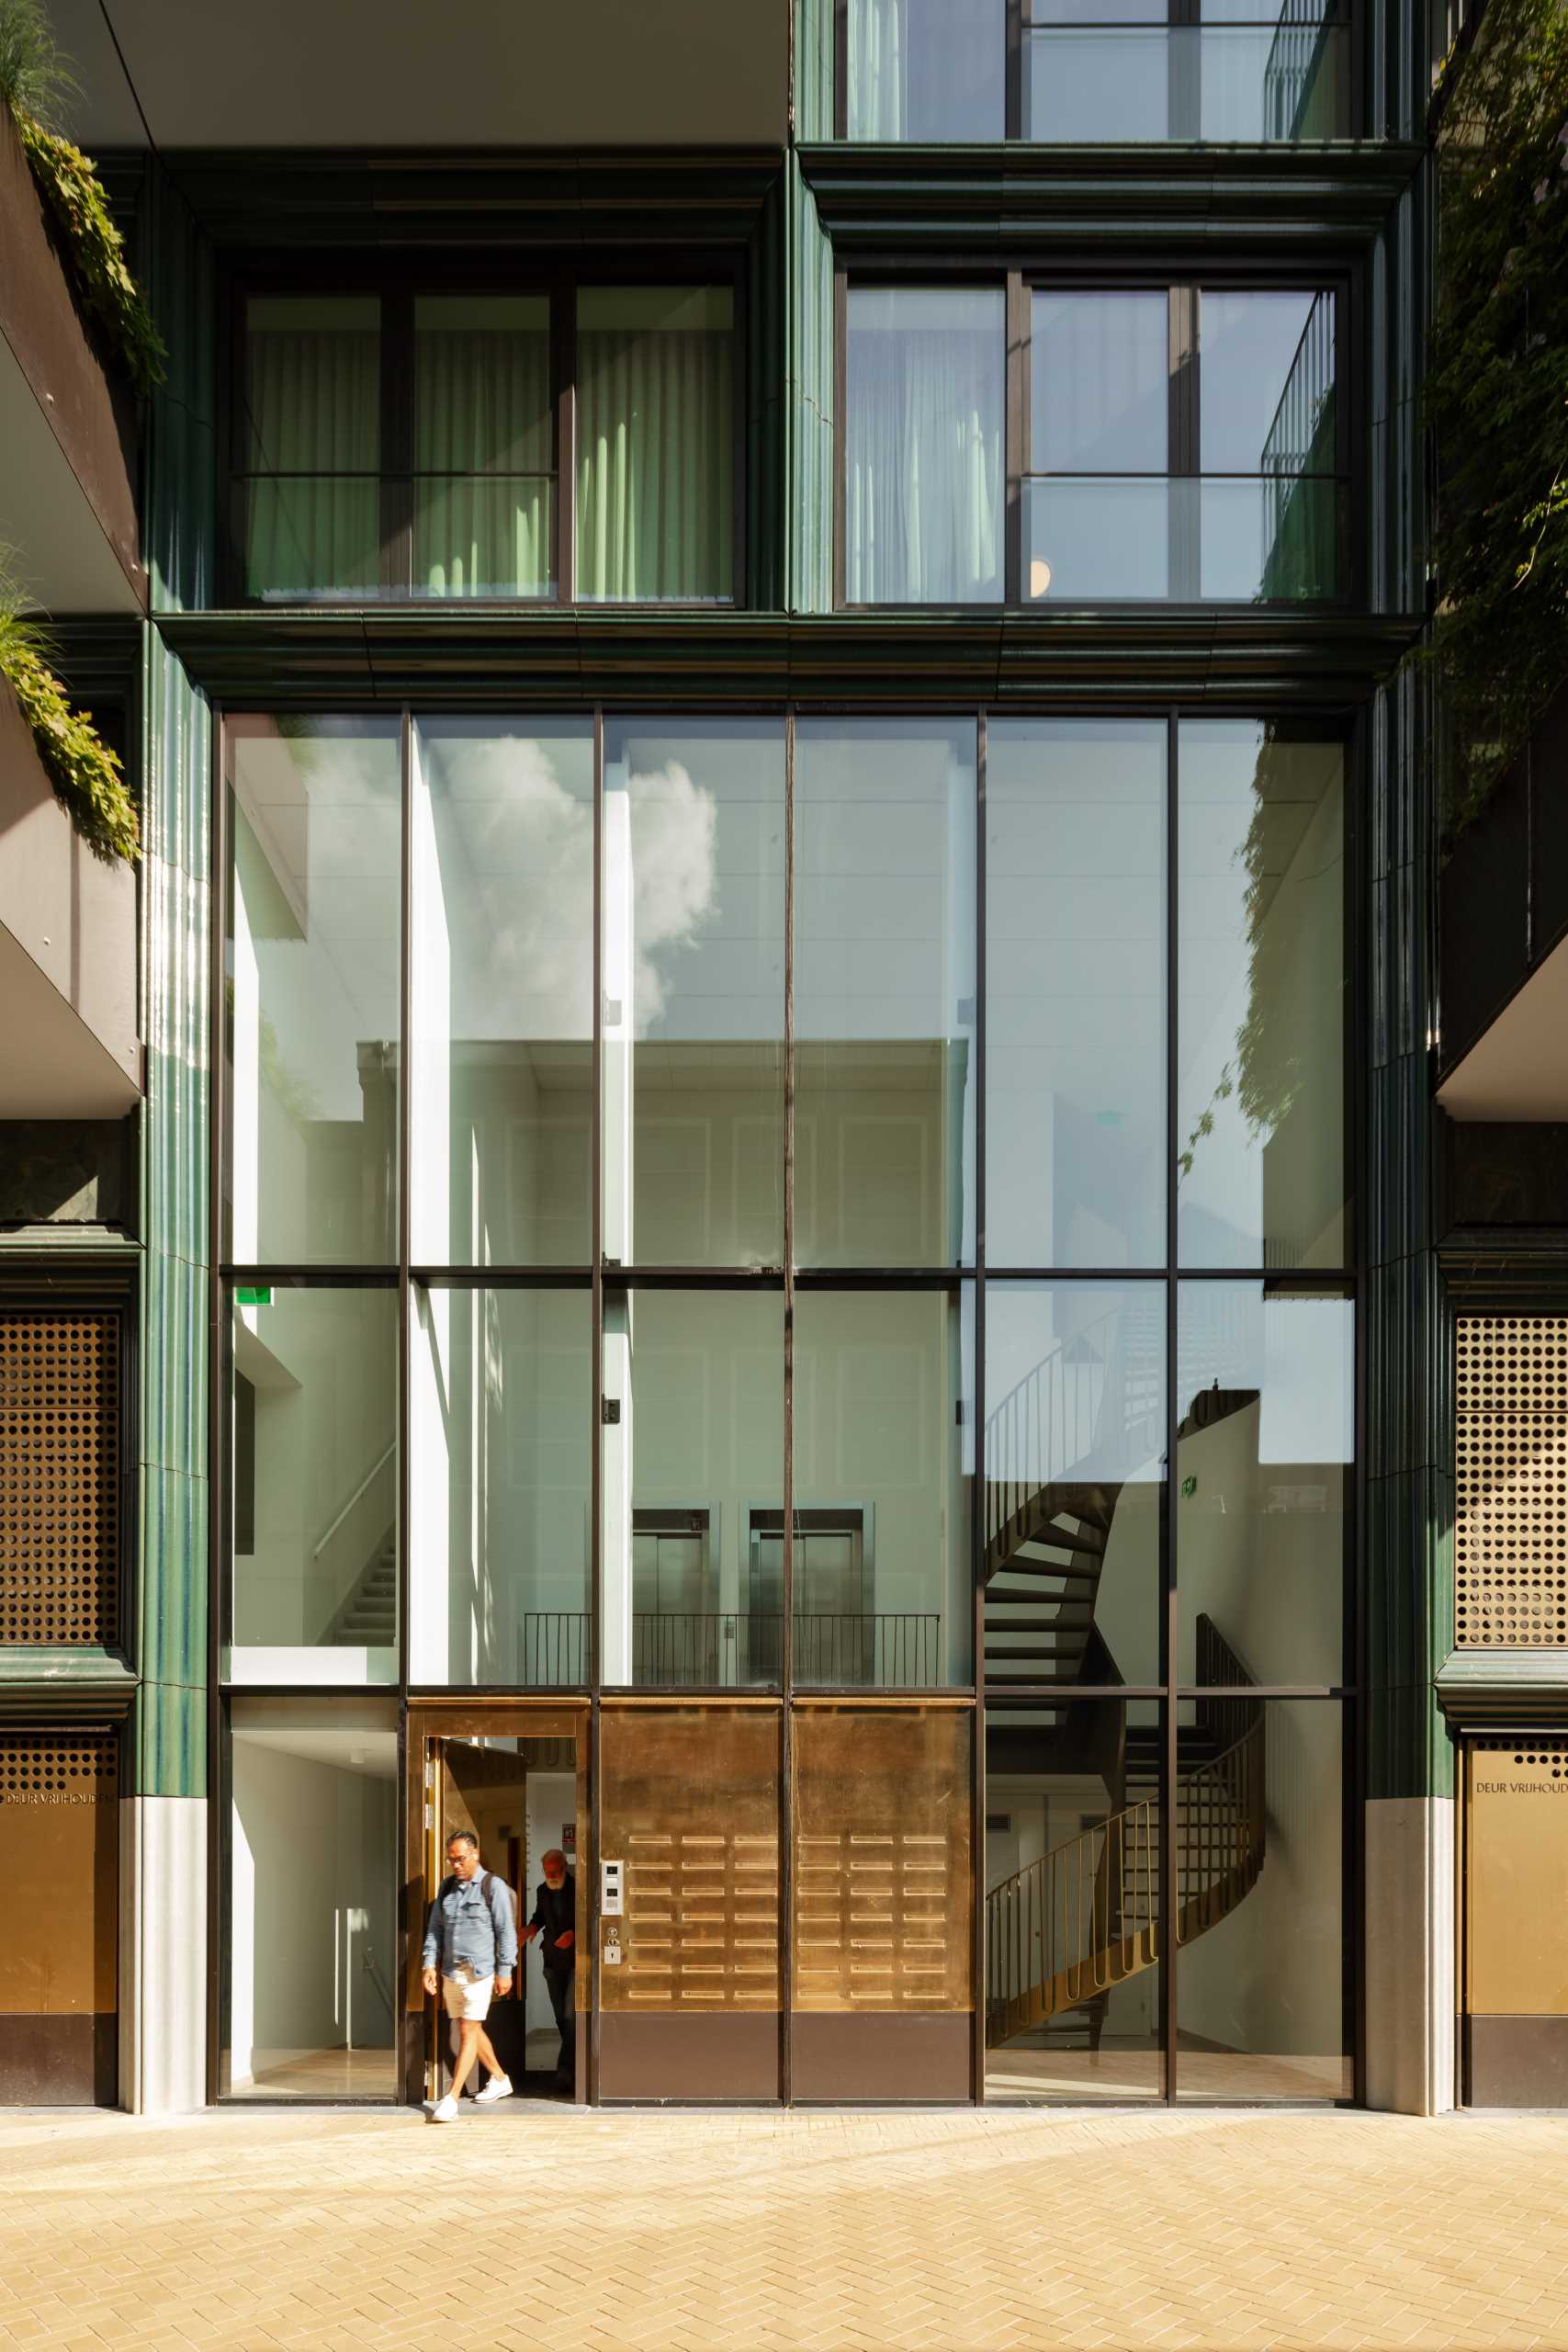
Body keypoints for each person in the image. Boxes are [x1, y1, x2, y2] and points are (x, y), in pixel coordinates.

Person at [421, 1829, 519, 2122]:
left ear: (475, 1854)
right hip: (452, 1972)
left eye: (460, 1858)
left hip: (480, 1973)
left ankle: (451, 2100)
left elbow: (506, 1932)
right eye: (451, 1859)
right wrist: (429, 1964)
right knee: (472, 2029)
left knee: (467, 2030)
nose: (455, 1864)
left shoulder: (493, 1886)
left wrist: (506, 1971)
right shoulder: (447, 1887)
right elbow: (435, 1928)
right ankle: (500, 2078)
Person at [523, 1847, 577, 2089]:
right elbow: (539, 1917)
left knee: (570, 2015)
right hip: (552, 1961)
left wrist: (574, 1935)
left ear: (564, 1868)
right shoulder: (543, 1891)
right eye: (547, 1871)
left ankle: (565, 2069)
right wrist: (531, 1928)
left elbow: (590, 1920)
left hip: (576, 1961)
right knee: (560, 2018)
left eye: (555, 1871)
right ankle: (575, 2059)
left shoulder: (578, 1888)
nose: (551, 1875)